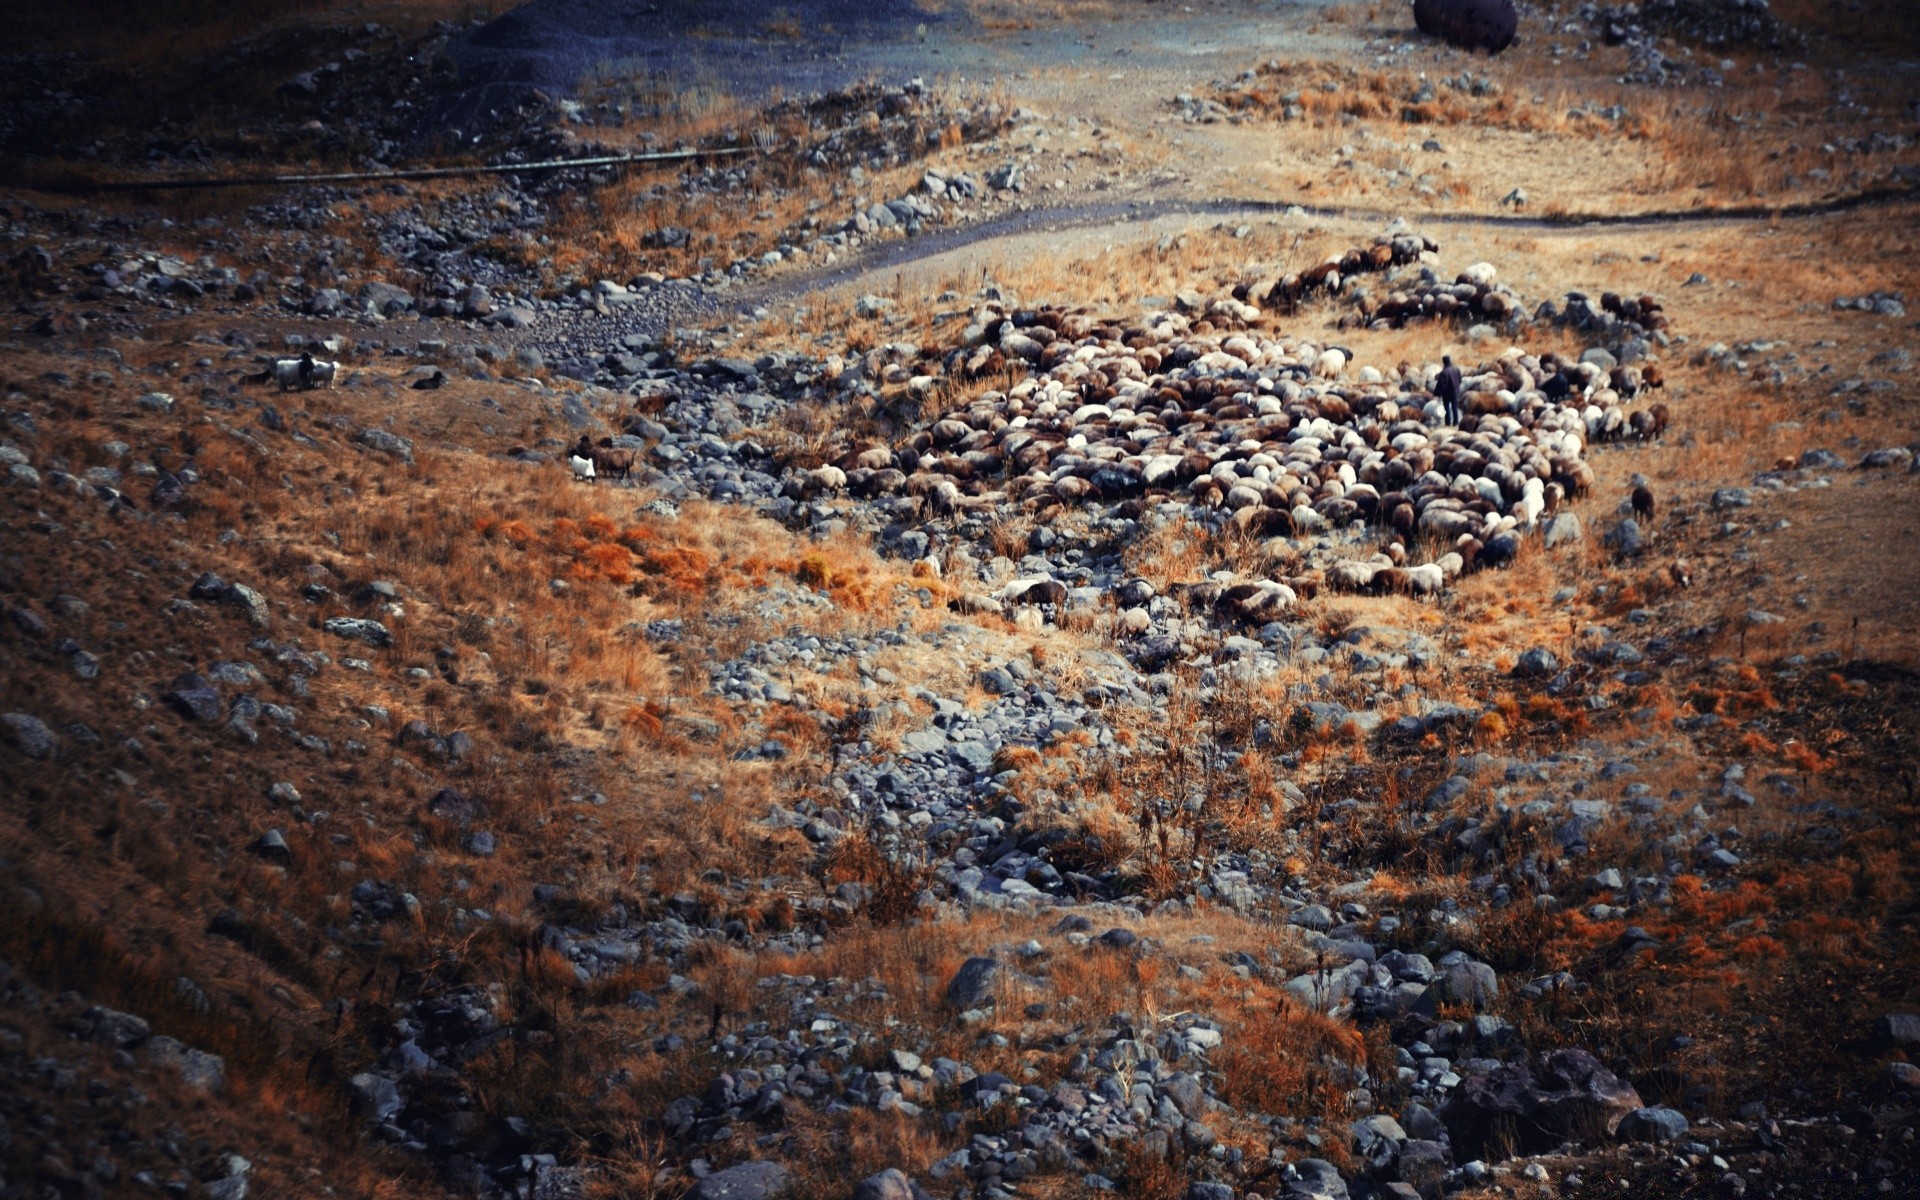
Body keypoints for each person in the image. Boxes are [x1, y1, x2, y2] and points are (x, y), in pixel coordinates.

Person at [1435, 354, 1463, 426]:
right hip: (1455, 392)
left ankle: (1448, 423)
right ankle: (1456, 422)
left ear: (1443, 362)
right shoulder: (1456, 369)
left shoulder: (1444, 372)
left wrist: (1438, 394)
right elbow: (1460, 380)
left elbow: (1441, 384)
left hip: (1447, 393)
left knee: (1446, 408)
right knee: (1455, 407)